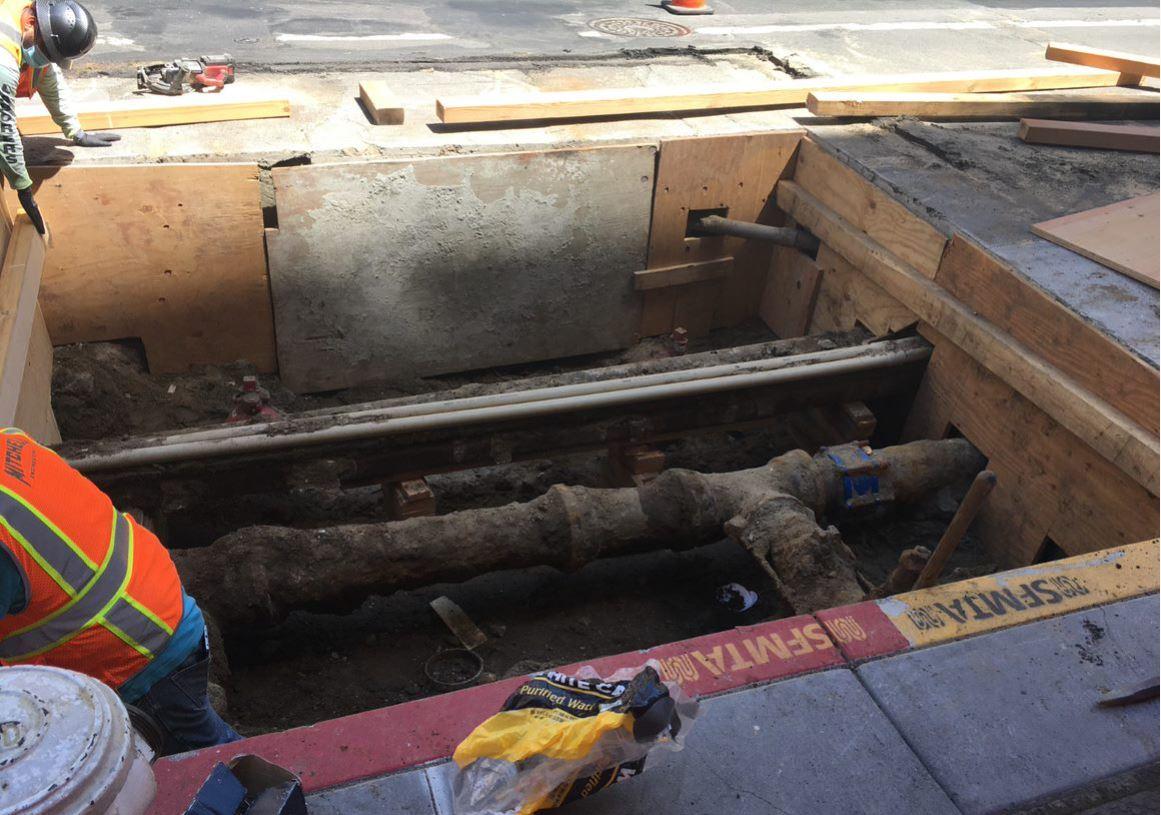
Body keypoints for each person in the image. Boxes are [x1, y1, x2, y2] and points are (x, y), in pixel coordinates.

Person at [0, 427, 242, 756]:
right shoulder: (7, 441)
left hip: (137, 661)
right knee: (212, 756)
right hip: (153, 611)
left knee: (207, 773)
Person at [0, 0, 122, 236]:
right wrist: (23, 187)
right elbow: (3, 129)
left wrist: (75, 131)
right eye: (48, 53)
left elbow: (49, 80)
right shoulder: (3, 59)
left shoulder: (35, 31)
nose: (46, 59)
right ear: (31, 23)